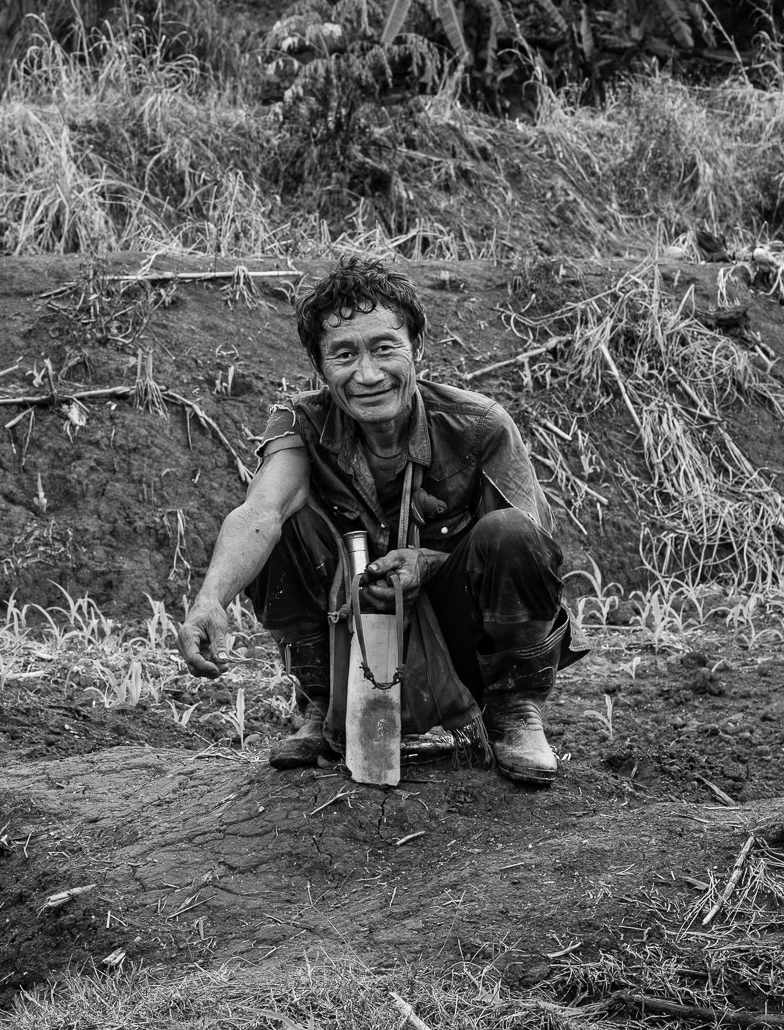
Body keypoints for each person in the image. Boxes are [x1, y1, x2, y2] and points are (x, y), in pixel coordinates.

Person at [176, 257, 585, 785]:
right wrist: (210, 600)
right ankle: (320, 706)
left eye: (384, 348)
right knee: (282, 528)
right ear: (321, 368)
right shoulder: (302, 424)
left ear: (417, 348)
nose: (367, 375)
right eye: (344, 355)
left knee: (511, 533)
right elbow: (261, 511)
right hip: (348, 640)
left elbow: (535, 551)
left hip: (459, 639)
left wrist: (430, 564)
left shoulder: (479, 425)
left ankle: (513, 712)